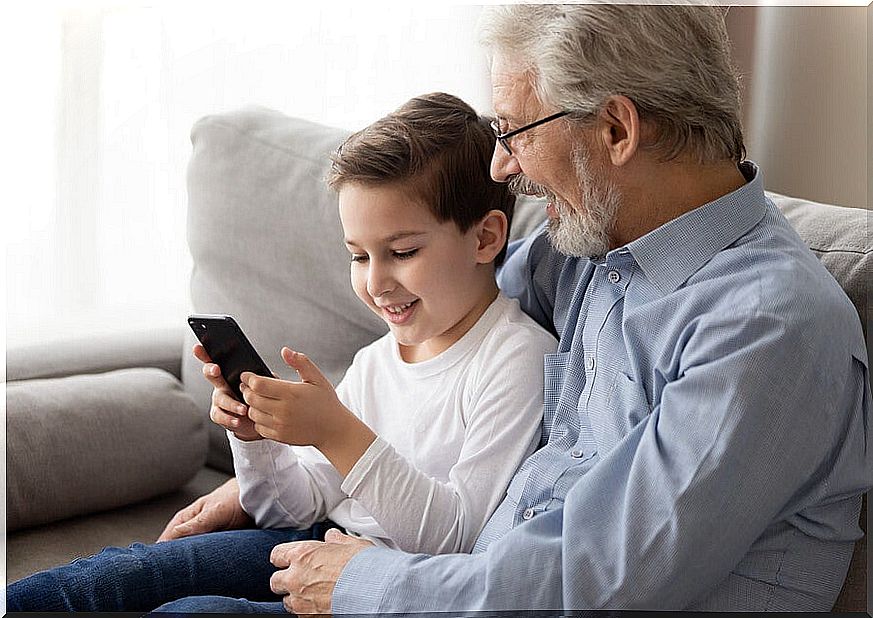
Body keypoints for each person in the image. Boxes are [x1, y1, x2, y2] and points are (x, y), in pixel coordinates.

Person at [148, 4, 871, 613]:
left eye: (515, 131)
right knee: (138, 579)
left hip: (486, 592)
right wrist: (267, 471)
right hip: (457, 572)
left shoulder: (767, 328)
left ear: (616, 130)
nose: (499, 166)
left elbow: (604, 576)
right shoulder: (588, 250)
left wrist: (372, 584)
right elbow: (447, 313)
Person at [5, 93, 557, 611]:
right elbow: (284, 510)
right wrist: (256, 439)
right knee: (124, 574)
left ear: (485, 239)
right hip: (311, 540)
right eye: (359, 256)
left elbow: (457, 538)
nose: (377, 282)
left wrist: (336, 431)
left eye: (403, 251)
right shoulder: (377, 361)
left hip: (391, 585)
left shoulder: (516, 358)